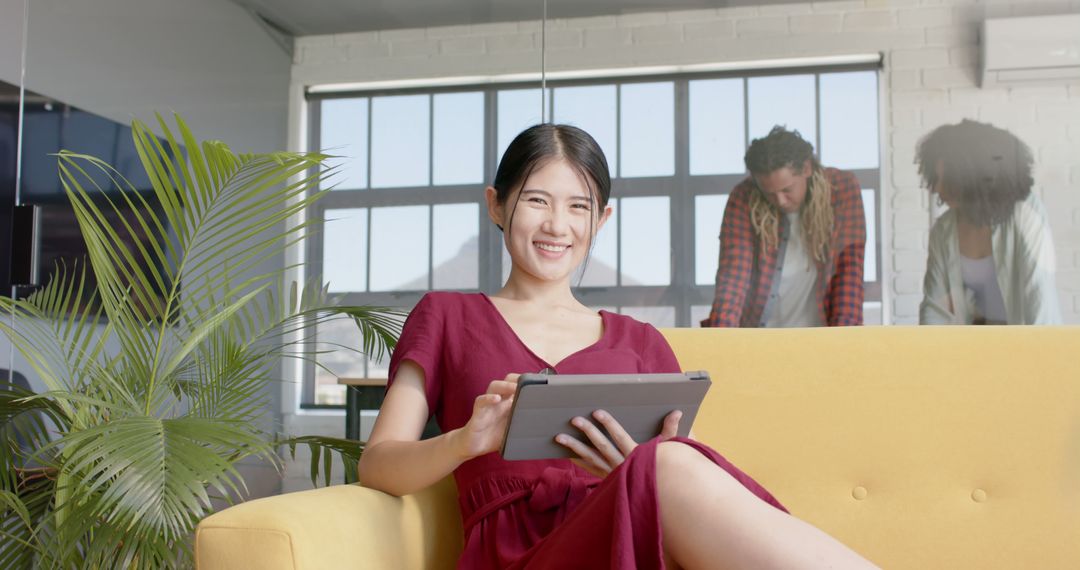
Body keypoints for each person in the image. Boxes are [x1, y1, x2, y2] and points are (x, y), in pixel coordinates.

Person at [357, 124, 877, 569]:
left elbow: (699, 495)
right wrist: (467, 441)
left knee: (670, 462)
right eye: (537, 200)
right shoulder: (447, 314)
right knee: (668, 464)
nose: (557, 226)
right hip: (522, 555)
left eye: (578, 207)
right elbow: (377, 466)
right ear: (497, 205)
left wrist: (631, 472)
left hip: (633, 540)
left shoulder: (642, 340)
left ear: (600, 220)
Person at [702, 126, 866, 328]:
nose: (780, 201)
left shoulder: (842, 188)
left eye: (787, 189)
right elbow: (734, 274)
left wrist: (844, 341)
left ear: (806, 168)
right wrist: (721, 341)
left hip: (821, 335)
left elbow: (849, 269)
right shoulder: (743, 196)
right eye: (769, 193)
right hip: (759, 335)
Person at [917, 119, 1061, 325]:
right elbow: (935, 309)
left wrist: (1038, 355)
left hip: (1027, 348)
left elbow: (1039, 297)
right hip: (971, 352)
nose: (936, 188)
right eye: (935, 178)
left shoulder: (1025, 212)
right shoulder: (943, 231)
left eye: (945, 179)